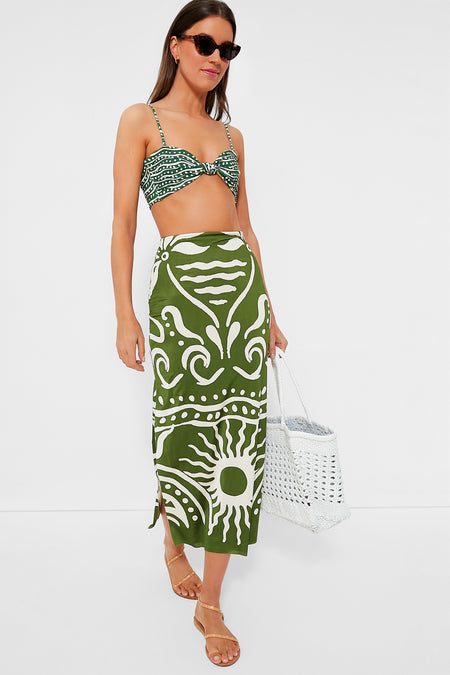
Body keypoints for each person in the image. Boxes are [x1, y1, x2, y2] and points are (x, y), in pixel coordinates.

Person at [110, 0, 288, 666]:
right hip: (180, 295)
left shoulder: (232, 137)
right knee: (183, 429)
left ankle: (209, 601)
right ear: (176, 45)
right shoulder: (141, 120)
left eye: (228, 49)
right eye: (206, 43)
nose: (217, 57)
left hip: (239, 297)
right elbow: (124, 224)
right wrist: (124, 314)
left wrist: (268, 307)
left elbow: (247, 228)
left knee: (236, 437)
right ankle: (173, 538)